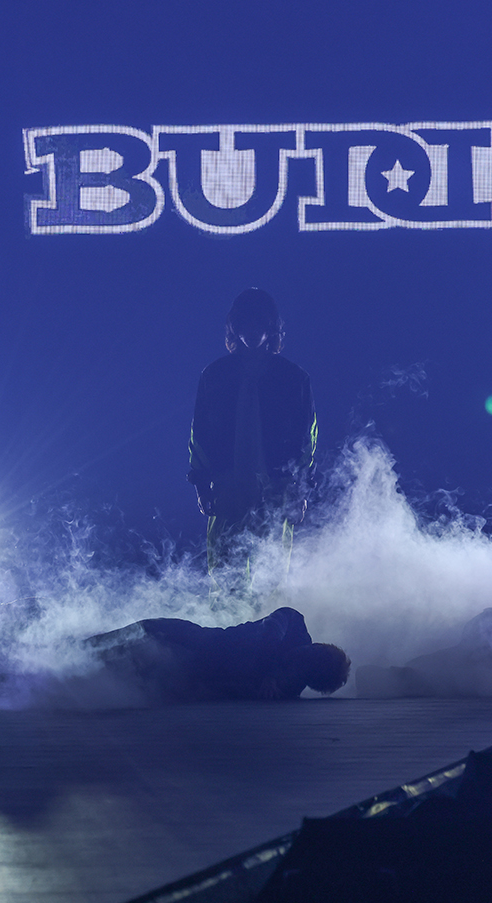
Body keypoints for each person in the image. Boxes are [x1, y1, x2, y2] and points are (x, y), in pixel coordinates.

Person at [187, 288, 317, 586]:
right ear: (235, 327)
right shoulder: (214, 376)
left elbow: (306, 438)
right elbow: (200, 434)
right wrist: (201, 485)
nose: (253, 329)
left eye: (260, 322)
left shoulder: (294, 379)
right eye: (246, 322)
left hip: (276, 488)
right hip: (227, 486)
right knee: (225, 576)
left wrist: (301, 490)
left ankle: (267, 617)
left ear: (271, 327)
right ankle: (229, 617)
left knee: (271, 578)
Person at [81, 606, 350, 703]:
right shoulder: (294, 624)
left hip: (180, 676)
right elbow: (271, 629)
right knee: (102, 645)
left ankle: (71, 678)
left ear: (308, 677)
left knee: (106, 673)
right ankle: (67, 651)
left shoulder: (286, 689)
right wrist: (269, 674)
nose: (301, 654)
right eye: (313, 650)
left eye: (306, 664)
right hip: (184, 638)